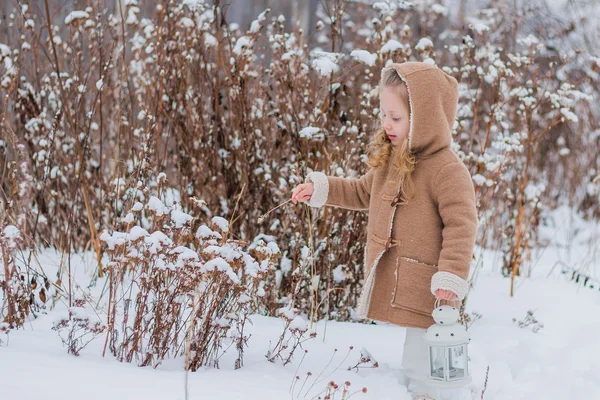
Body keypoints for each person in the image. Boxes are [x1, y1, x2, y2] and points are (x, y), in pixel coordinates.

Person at [290, 61, 478, 400]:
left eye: (396, 117)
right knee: (415, 353)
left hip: (431, 283)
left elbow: (461, 226)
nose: (387, 125)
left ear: (425, 118)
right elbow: (363, 192)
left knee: (426, 354)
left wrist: (451, 277)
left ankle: (430, 394)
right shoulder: (393, 157)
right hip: (402, 274)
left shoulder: (447, 170)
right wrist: (322, 189)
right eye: (383, 115)